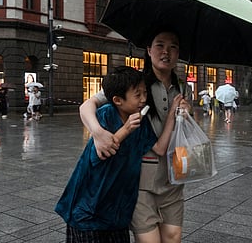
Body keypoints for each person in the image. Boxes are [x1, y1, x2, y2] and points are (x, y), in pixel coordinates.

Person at [79, 29, 192, 243]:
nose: (166, 52)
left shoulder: (183, 87)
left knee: (173, 237)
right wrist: (98, 133)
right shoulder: (135, 83)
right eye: (160, 45)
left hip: (174, 176)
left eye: (173, 46)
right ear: (149, 50)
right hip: (141, 180)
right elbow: (88, 105)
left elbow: (183, 131)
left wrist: (187, 114)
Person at [55, 66, 181, 243]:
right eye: (138, 95)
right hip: (90, 211)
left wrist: (172, 116)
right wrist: (126, 129)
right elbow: (103, 152)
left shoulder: (140, 121)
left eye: (145, 93)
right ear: (117, 100)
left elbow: (160, 148)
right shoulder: (105, 115)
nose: (144, 99)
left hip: (118, 212)